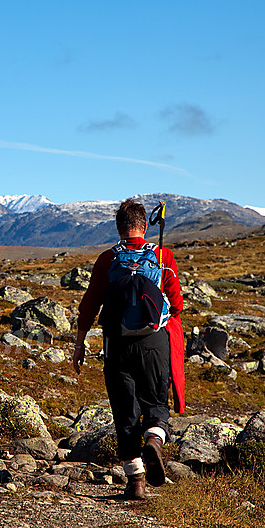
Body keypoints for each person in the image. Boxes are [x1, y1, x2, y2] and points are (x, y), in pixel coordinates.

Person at [71, 198, 185, 499]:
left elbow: (90, 305)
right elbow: (177, 304)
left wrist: (80, 343)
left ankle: (135, 481)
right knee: (156, 404)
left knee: (125, 410)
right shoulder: (163, 256)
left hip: (116, 343)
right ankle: (154, 442)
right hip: (154, 342)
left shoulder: (108, 259)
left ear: (120, 228)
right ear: (144, 226)